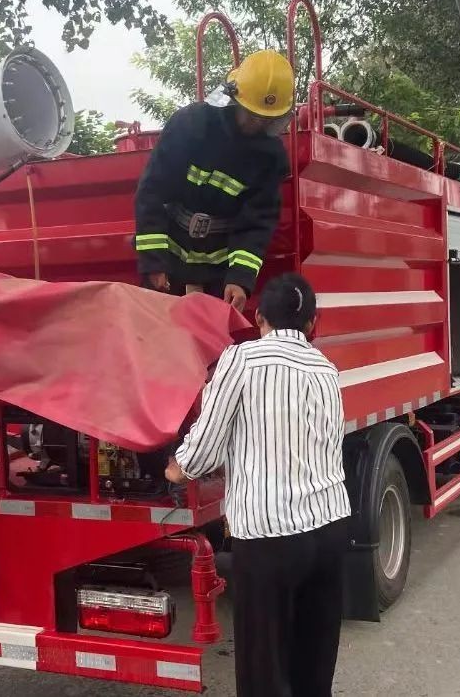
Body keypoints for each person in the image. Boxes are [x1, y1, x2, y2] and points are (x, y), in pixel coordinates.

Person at [165, 273, 351, 697]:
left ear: (259, 316)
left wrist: (177, 467)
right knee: (313, 664)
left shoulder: (242, 359)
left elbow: (205, 448)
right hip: (330, 528)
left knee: (263, 672)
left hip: (271, 537)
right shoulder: (326, 368)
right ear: (311, 324)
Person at [134, 50, 295, 311]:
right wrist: (153, 262)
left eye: (266, 119)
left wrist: (240, 278)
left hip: (218, 273)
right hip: (170, 258)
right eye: (251, 115)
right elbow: (151, 192)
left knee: (213, 347)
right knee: (157, 338)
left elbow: (258, 223)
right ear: (232, 99)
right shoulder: (191, 125)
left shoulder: (270, 157)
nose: (256, 124)